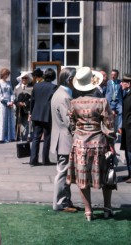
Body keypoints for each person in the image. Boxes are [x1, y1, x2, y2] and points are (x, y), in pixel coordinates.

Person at [67, 67, 116, 221]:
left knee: (82, 178)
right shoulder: (102, 102)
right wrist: (111, 144)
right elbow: (109, 126)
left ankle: (88, 211)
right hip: (99, 144)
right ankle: (107, 207)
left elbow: (71, 125)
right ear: (93, 84)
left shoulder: (73, 103)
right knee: (106, 175)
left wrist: (79, 133)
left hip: (80, 144)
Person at [50, 67, 79, 212]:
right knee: (63, 171)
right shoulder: (64, 96)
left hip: (60, 137)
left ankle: (65, 201)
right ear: (69, 79)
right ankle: (60, 203)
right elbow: (69, 121)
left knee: (64, 171)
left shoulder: (60, 93)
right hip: (65, 138)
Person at [29, 68, 57, 166]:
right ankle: (45, 159)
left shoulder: (36, 86)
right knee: (47, 137)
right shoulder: (54, 87)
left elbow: (32, 100)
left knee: (36, 137)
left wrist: (31, 113)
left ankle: (33, 159)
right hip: (47, 114)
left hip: (36, 113)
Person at [0, 68, 15, 142]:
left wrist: (12, 100)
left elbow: (12, 93)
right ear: (2, 74)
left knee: (10, 120)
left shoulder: (9, 83)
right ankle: (1, 137)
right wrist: (7, 102)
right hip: (3, 104)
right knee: (2, 120)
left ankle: (11, 136)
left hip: (10, 103)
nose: (7, 76)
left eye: (8, 74)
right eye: (6, 74)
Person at [14, 71, 33, 141]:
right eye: (23, 78)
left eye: (25, 78)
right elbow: (14, 98)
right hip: (19, 109)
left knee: (27, 123)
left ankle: (26, 137)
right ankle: (19, 136)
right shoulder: (16, 88)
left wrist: (25, 104)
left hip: (27, 109)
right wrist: (17, 103)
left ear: (28, 79)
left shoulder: (31, 88)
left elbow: (32, 99)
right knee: (19, 123)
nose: (24, 79)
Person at [120, 74, 131, 183]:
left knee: (130, 152)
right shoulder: (126, 94)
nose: (121, 84)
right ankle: (129, 174)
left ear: (128, 84)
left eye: (123, 82)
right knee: (127, 152)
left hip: (129, 128)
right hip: (126, 128)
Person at [105, 69, 123, 135]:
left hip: (118, 101)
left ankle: (119, 128)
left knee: (121, 111)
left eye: (114, 75)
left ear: (117, 75)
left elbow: (123, 92)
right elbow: (105, 91)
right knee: (109, 115)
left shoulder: (120, 83)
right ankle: (109, 129)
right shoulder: (108, 82)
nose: (113, 76)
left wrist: (122, 86)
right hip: (110, 101)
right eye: (112, 75)